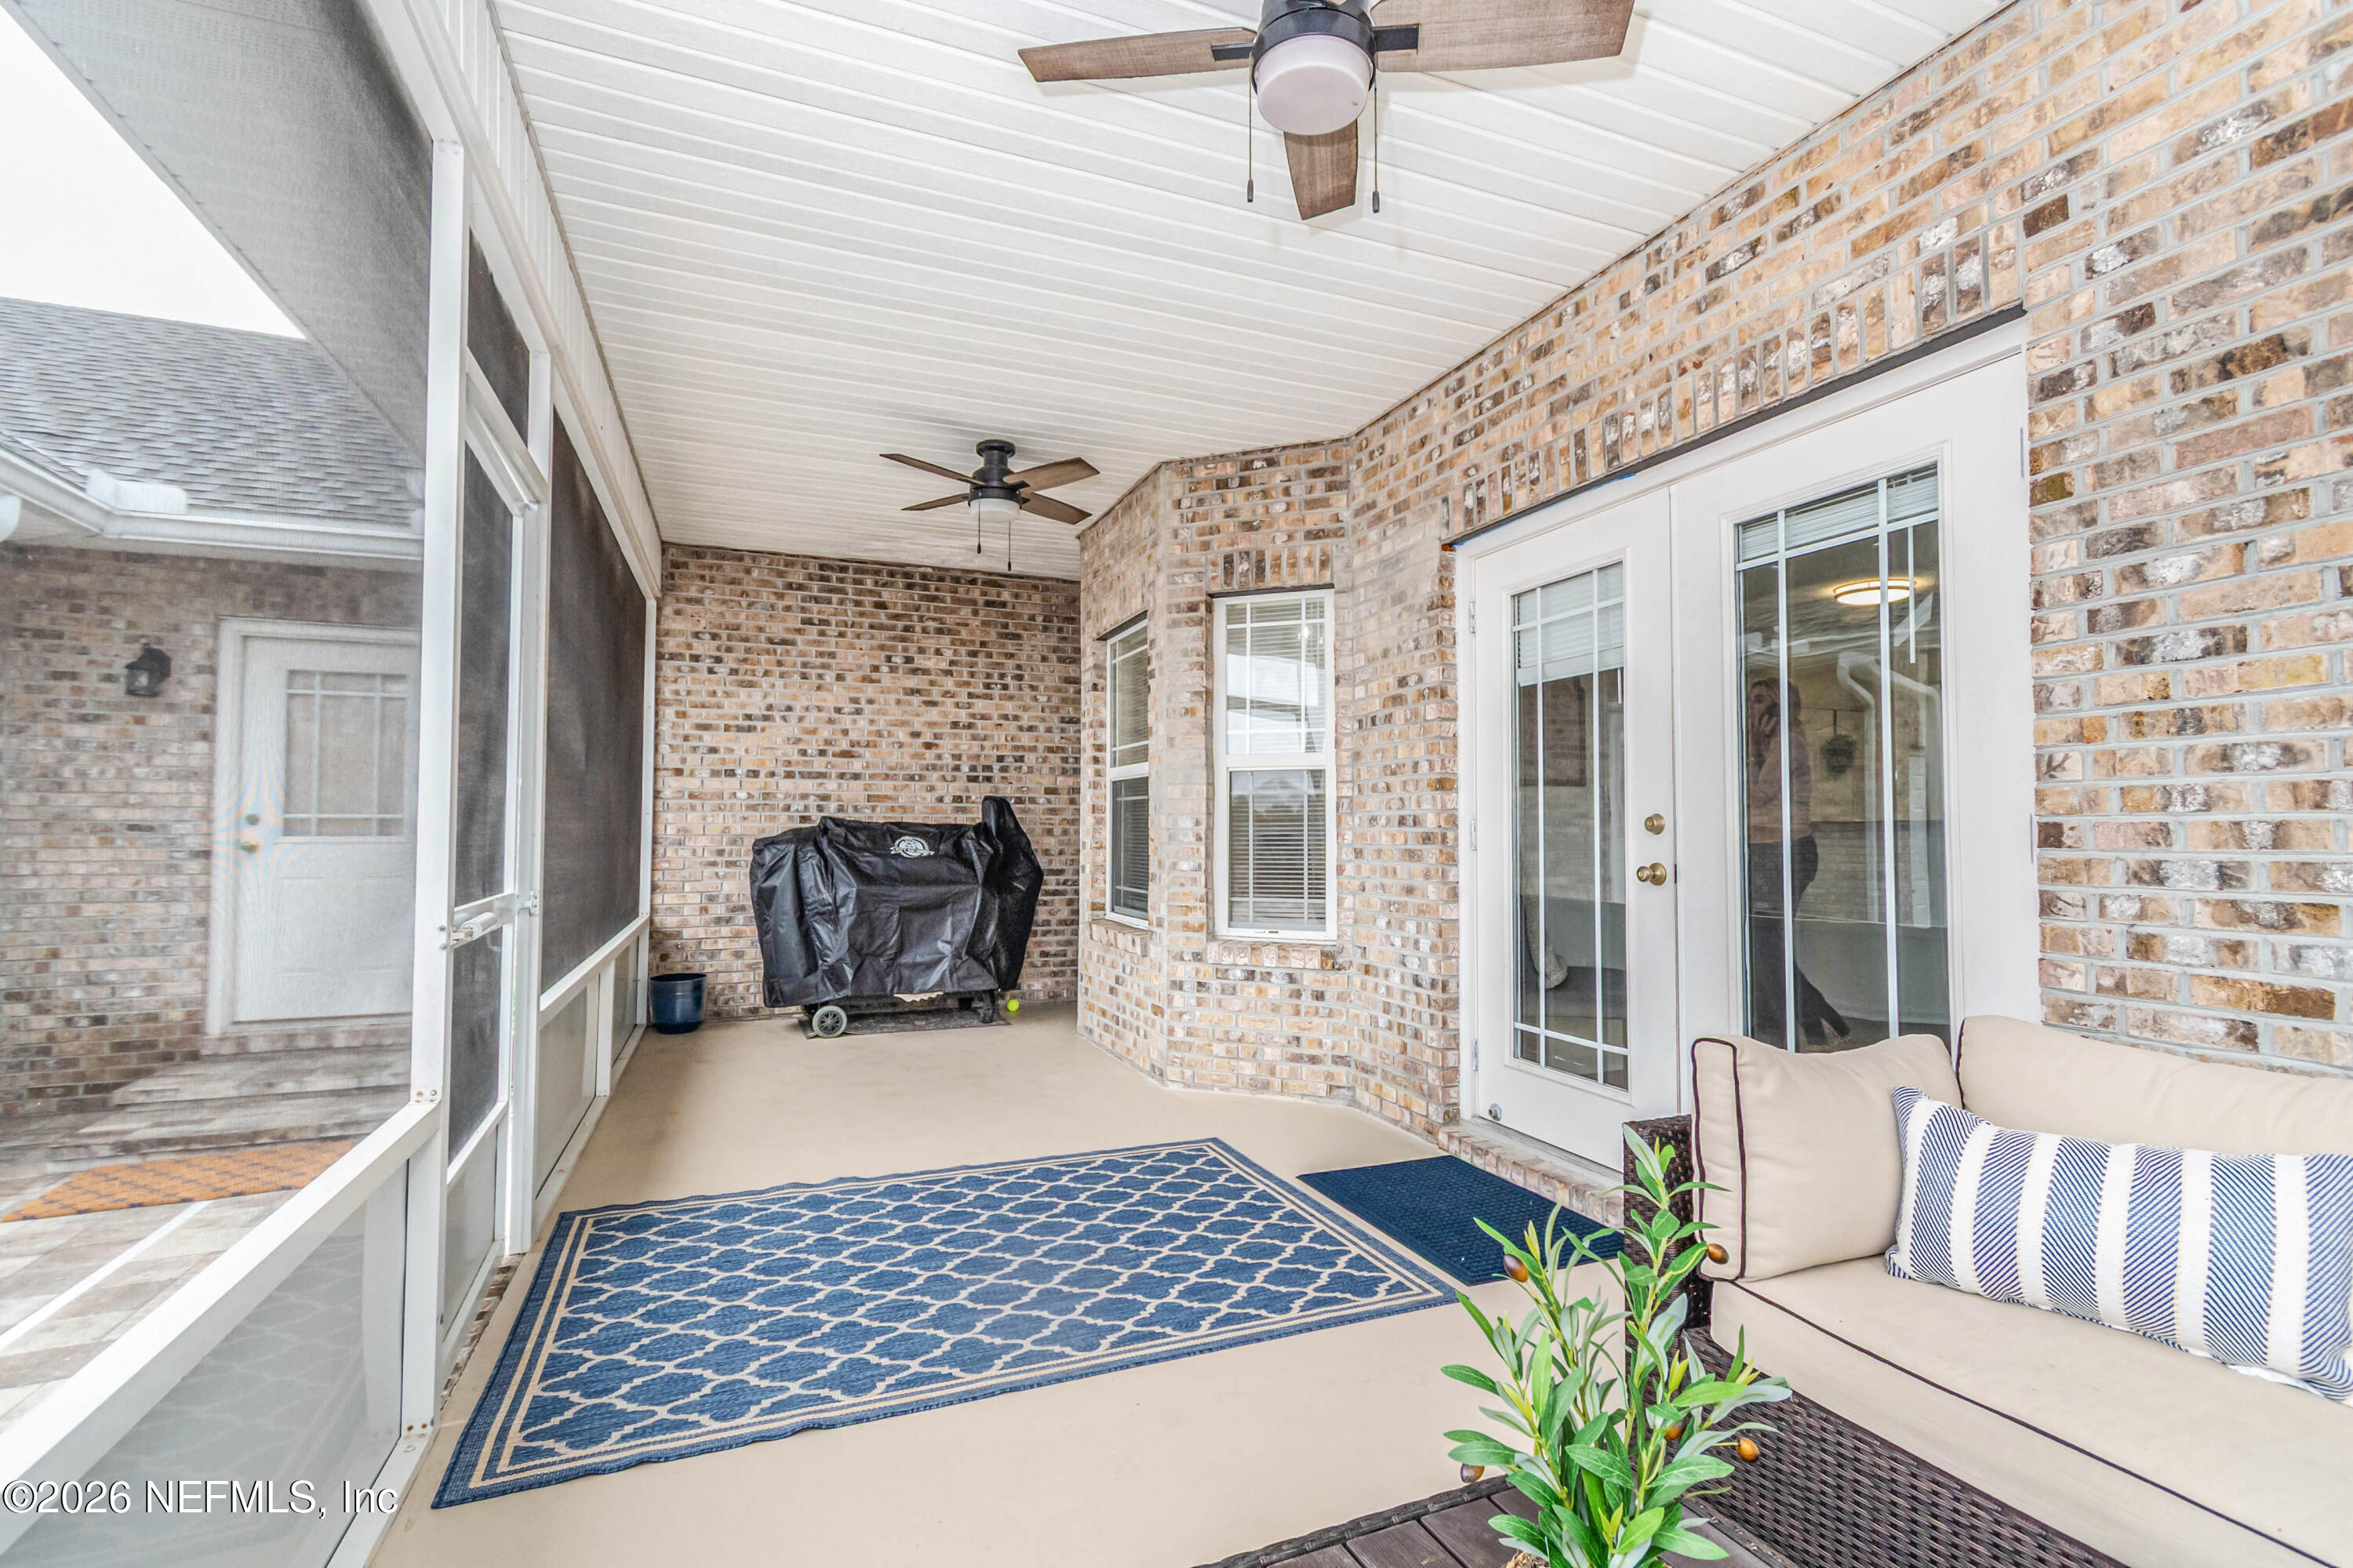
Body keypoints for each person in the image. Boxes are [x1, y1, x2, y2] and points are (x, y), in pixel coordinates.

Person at [1746, 678, 1852, 1048]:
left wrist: (1753, 752)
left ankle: (1814, 1025)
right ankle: (1817, 1024)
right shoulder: (1769, 745)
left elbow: (1760, 793)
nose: (1751, 707)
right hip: (1766, 850)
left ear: (1779, 707)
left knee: (1766, 946)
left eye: (1760, 700)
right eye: (1750, 700)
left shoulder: (1787, 743)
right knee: (1763, 947)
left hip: (1783, 850)